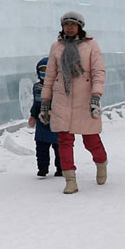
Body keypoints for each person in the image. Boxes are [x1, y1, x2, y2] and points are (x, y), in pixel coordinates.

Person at [38, 11, 108, 194]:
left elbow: (98, 72)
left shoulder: (91, 45)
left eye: (73, 24)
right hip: (62, 97)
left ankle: (101, 163)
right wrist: (45, 101)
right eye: (66, 24)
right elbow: (50, 75)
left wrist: (96, 95)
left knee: (91, 140)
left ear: (79, 27)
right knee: (64, 140)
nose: (69, 27)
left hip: (85, 98)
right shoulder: (56, 47)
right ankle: (70, 180)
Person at [26, 57, 61, 177]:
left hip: (57, 122)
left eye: (48, 69)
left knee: (59, 147)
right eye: (42, 69)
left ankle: (61, 168)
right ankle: (42, 168)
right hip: (42, 122)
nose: (45, 73)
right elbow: (36, 103)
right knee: (41, 147)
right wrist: (33, 116)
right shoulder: (37, 87)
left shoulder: (59, 86)